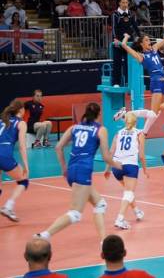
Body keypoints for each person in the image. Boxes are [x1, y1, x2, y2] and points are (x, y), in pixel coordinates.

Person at [35, 103, 121, 241]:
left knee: (100, 204)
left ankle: (103, 241)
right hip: (83, 171)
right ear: (99, 114)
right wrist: (118, 165)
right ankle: (44, 235)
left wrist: (64, 168)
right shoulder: (100, 130)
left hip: (72, 170)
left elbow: (58, 147)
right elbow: (106, 156)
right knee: (75, 214)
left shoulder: (74, 127)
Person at [115, 19, 164, 136]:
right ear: (142, 44)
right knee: (154, 113)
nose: (149, 41)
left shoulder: (155, 49)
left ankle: (144, 133)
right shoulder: (141, 56)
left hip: (163, 83)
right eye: (146, 40)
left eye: (148, 39)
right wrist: (125, 37)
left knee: (157, 112)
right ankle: (126, 114)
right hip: (156, 82)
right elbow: (125, 46)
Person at [104, 112, 147, 230]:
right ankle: (120, 218)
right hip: (130, 165)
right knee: (129, 193)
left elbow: (111, 152)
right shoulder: (139, 133)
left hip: (116, 167)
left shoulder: (118, 133)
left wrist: (107, 169)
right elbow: (142, 156)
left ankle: (137, 211)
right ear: (136, 122)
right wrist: (145, 170)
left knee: (128, 192)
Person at [0, 100, 29, 222]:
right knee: (24, 181)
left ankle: (8, 208)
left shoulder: (2, 121)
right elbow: (22, 146)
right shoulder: (21, 123)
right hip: (4, 155)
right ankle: (8, 206)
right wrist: (26, 166)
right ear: (21, 110)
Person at [111, 0, 140, 86]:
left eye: (126, 3)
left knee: (129, 63)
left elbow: (135, 27)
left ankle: (128, 82)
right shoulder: (115, 14)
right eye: (123, 2)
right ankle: (116, 83)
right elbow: (114, 27)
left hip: (129, 43)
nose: (124, 4)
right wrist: (115, 38)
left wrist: (139, 37)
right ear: (119, 3)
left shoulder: (131, 14)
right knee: (117, 63)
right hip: (118, 43)